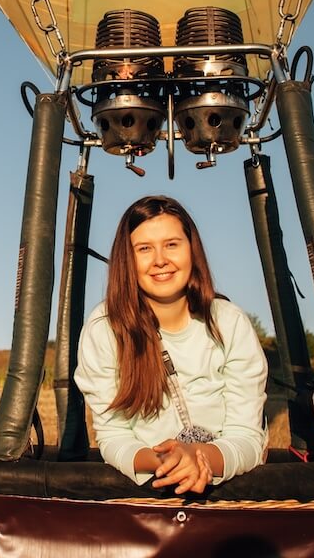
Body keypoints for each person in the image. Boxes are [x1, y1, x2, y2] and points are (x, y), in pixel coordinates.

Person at [74, 195, 268, 494]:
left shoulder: (228, 323)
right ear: (127, 259)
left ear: (192, 250)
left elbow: (246, 437)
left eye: (172, 244)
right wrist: (167, 462)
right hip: (151, 492)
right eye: (144, 249)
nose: (160, 260)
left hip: (229, 496)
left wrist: (200, 458)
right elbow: (113, 435)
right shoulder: (105, 329)